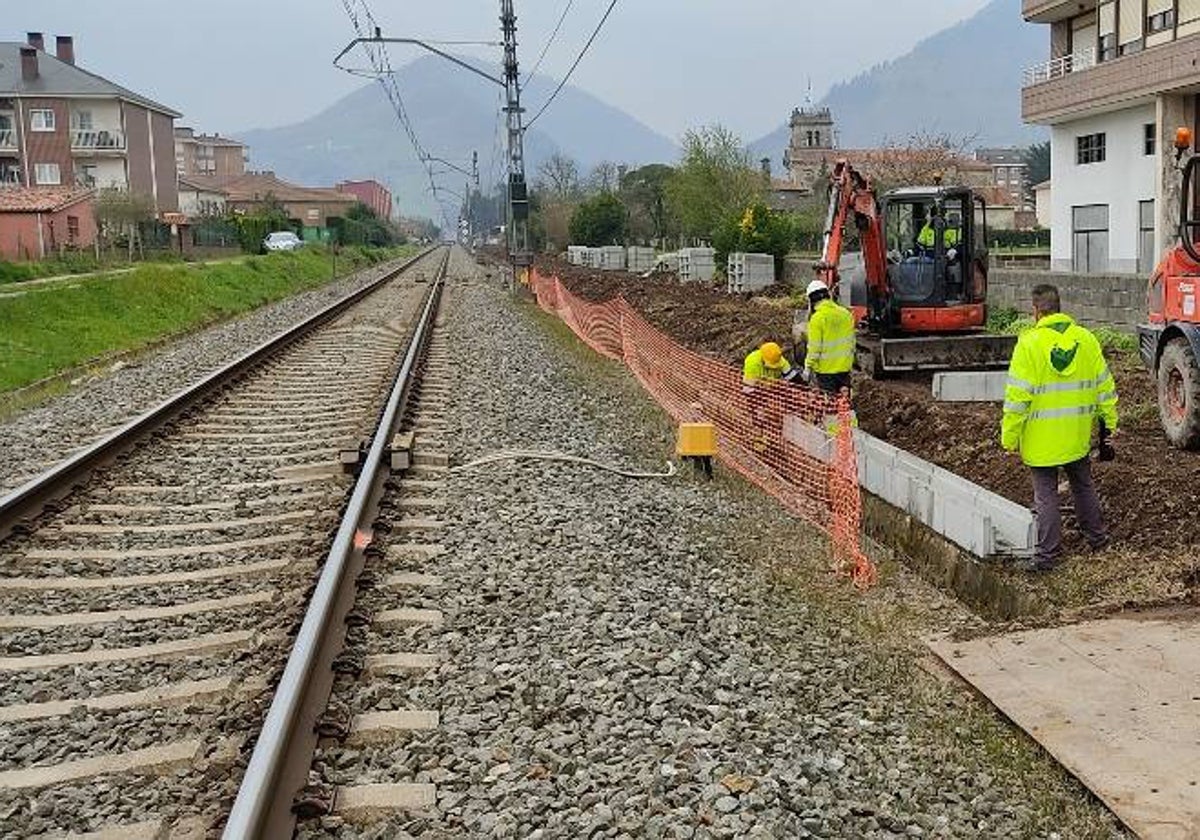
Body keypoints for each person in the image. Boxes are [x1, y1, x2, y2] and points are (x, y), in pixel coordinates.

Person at [1002, 284, 1119, 571]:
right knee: (1083, 487)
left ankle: (1046, 558)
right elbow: (1105, 388)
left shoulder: (1028, 344)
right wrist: (1109, 426)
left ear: (1035, 311)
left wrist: (1009, 437)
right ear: (1059, 307)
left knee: (1046, 496)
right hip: (1076, 436)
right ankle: (1097, 539)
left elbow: (1018, 399)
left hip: (1041, 442)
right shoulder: (1086, 340)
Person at [800, 279, 856, 395]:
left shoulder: (817, 318)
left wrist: (808, 367)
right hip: (845, 369)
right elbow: (852, 342)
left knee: (829, 405)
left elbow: (815, 348)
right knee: (844, 403)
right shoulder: (846, 314)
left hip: (826, 372)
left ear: (811, 300)